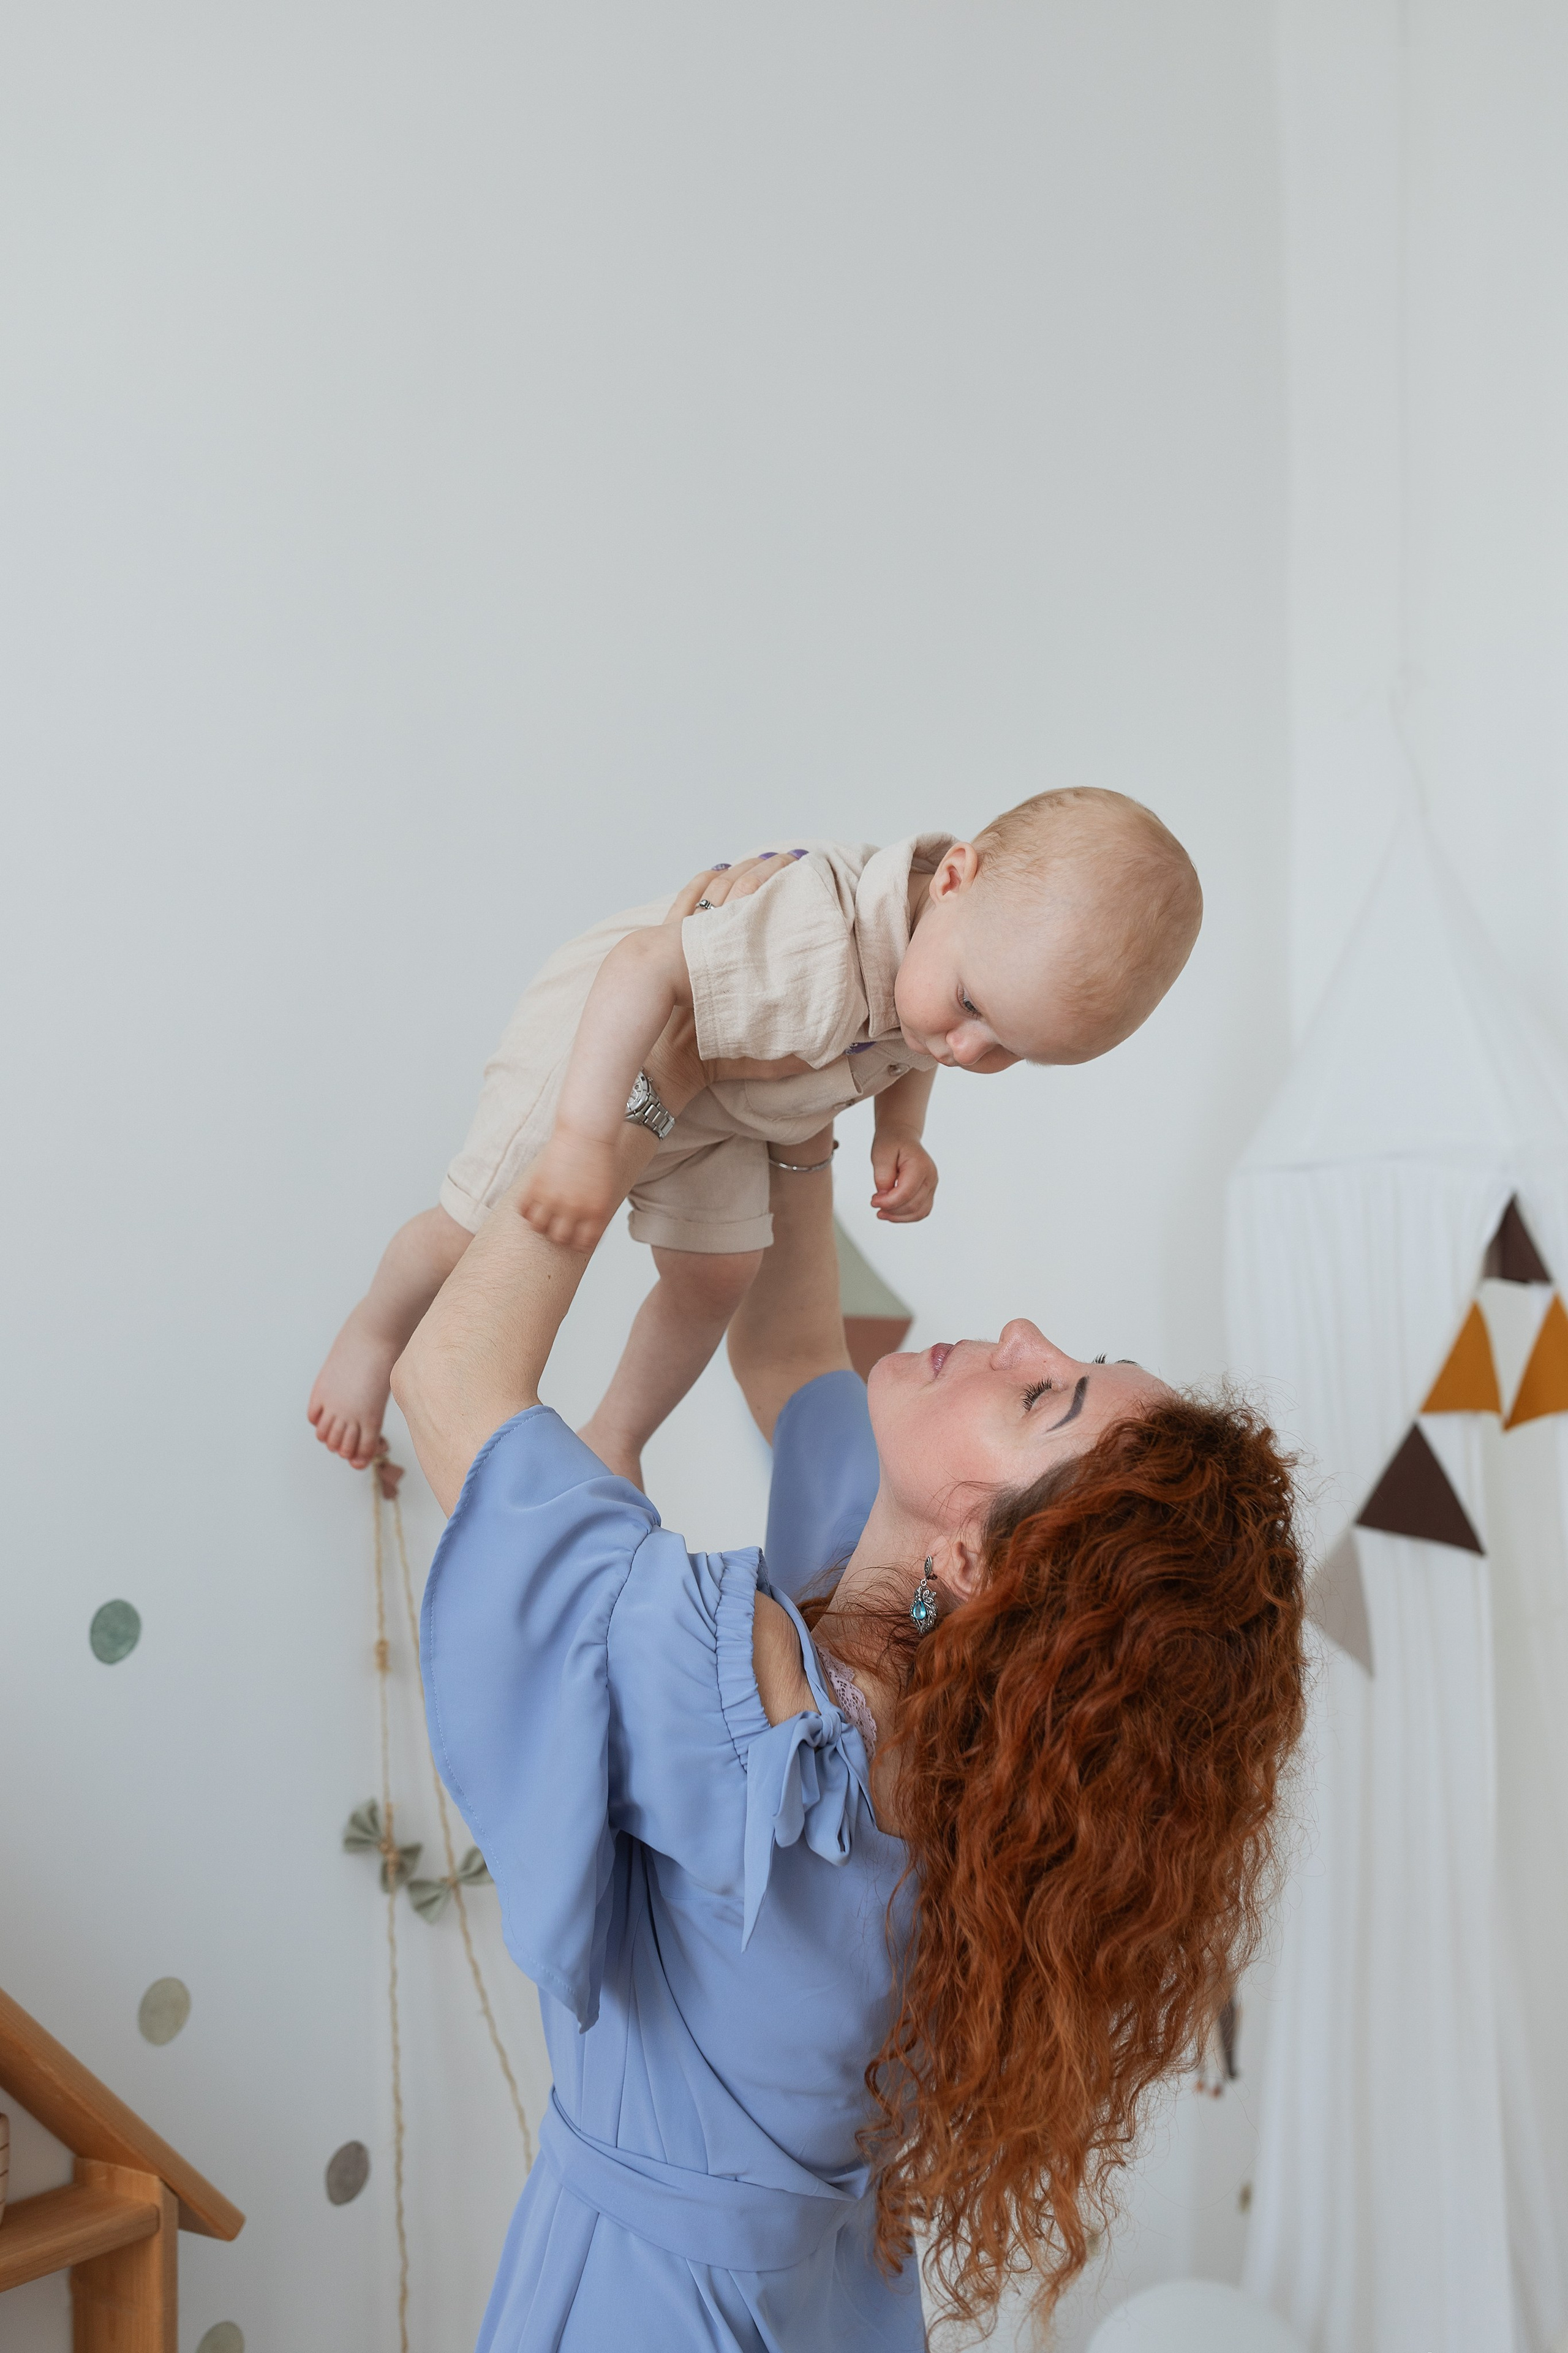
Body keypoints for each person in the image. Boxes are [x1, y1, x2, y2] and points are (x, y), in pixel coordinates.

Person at [391, 965, 1306, 2352]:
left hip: (651, 2310)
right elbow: (794, 1351)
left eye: (1039, 1395)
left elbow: (447, 1381)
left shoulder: (756, 1710)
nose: (1017, 1334)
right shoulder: (954, 1723)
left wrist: (627, 1100)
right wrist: (811, 1083)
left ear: (975, 1563)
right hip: (820, 2302)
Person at [312, 788, 1202, 1482]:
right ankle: (375, 1329)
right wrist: (586, 1135)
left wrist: (903, 1130)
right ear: (956, 877)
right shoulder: (821, 935)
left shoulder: (946, 959)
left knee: (716, 1276)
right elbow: (641, 967)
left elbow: (914, 1048)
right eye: (973, 1009)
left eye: (1010, 1049)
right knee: (475, 1227)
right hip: (601, 1045)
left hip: (722, 1106)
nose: (966, 1048)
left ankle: (617, 1430)